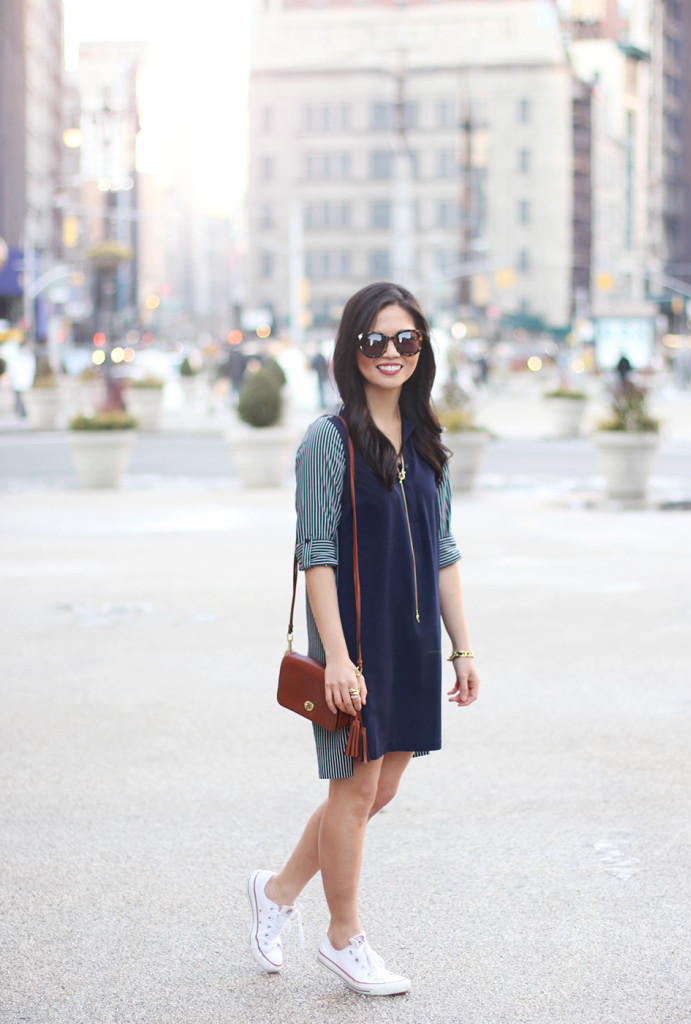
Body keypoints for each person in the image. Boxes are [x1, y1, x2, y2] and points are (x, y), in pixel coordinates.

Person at [247, 282, 480, 997]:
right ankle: (343, 936)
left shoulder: (426, 441)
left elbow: (442, 550)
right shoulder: (329, 439)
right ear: (352, 350)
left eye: (405, 340)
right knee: (353, 791)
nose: (391, 353)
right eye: (375, 340)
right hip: (355, 641)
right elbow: (315, 552)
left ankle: (277, 889)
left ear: (422, 349)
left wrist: (462, 649)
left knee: (379, 790)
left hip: (412, 643)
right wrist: (338, 657)